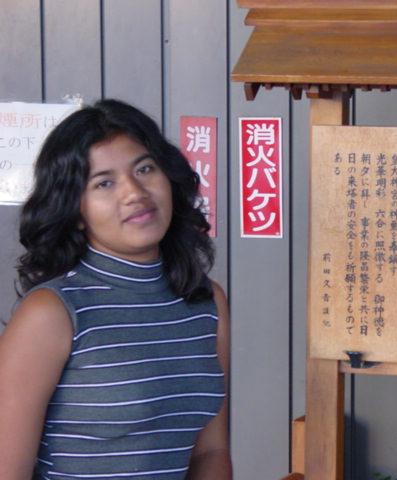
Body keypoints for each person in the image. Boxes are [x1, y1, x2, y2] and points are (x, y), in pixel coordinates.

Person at [0, 99, 232, 479]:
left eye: (144, 169)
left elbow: (211, 451)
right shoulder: (51, 313)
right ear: (76, 211)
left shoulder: (207, 302)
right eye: (104, 182)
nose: (134, 192)